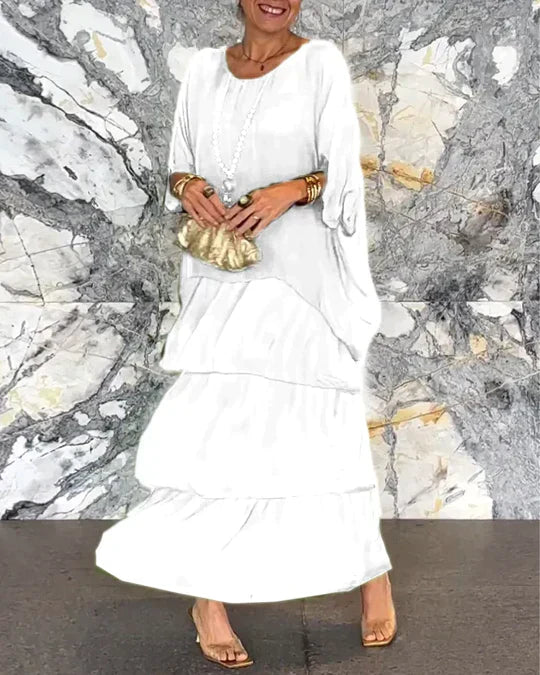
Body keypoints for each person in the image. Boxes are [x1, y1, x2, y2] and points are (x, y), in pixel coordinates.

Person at [95, 0, 397, 668]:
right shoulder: (204, 70)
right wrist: (189, 187)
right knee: (218, 437)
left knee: (322, 428)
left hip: (303, 279)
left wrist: (290, 191)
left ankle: (371, 575)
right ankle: (209, 600)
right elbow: (179, 165)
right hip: (222, 277)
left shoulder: (320, 63)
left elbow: (344, 173)